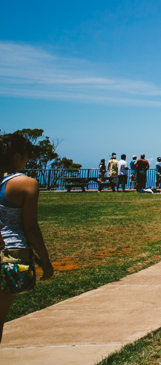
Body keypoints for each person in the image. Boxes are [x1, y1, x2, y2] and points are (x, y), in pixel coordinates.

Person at [1, 132, 55, 344]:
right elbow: (30, 228)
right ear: (16, 156)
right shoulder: (26, 184)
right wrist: (45, 260)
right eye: (26, 156)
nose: (27, 160)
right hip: (11, 254)